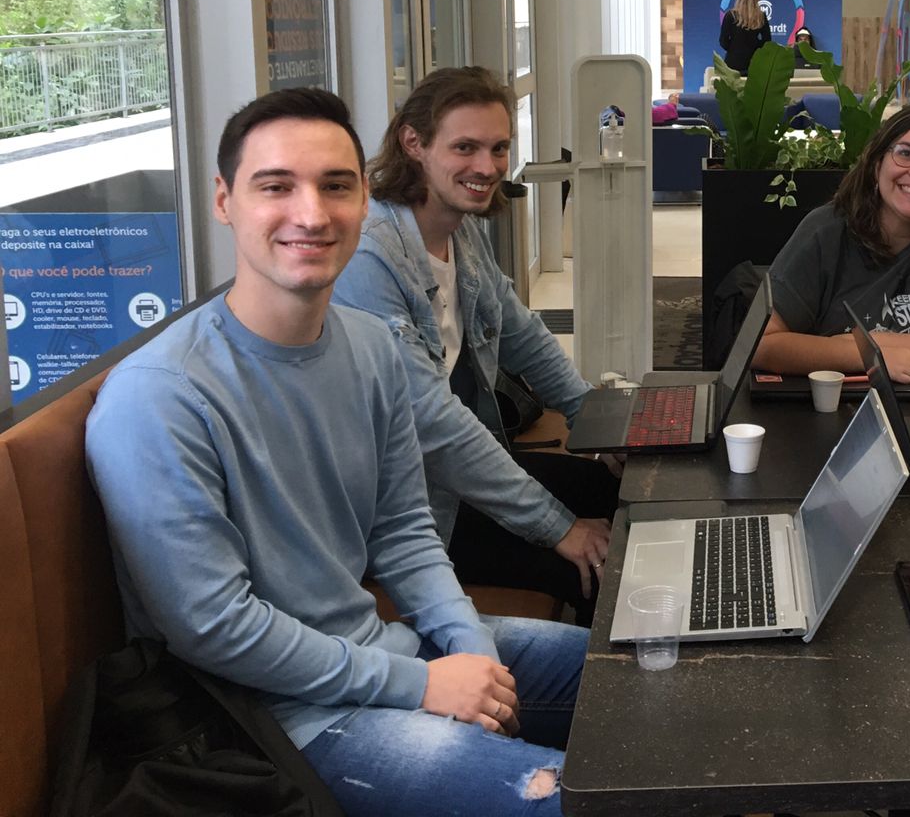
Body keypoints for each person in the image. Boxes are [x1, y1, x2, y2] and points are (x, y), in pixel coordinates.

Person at [86, 88, 586, 816]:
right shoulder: (157, 397)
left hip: (381, 653)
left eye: (335, 186)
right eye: (275, 186)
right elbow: (214, 629)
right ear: (224, 201)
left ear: (364, 199)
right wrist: (422, 684)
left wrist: (469, 648)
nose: (312, 214)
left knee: (647, 680)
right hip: (273, 722)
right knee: (580, 801)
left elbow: (405, 533)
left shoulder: (372, 348)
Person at [333, 67, 616, 625]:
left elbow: (520, 334)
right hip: (410, 512)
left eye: (498, 148)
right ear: (413, 143)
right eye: (465, 147)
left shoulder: (460, 228)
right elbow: (433, 424)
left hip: (461, 479)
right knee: (597, 566)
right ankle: (595, 701)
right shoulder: (371, 257)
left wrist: (603, 425)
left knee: (616, 488)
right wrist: (558, 527)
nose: (486, 167)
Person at [754, 95, 910, 382]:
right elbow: (762, 344)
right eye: (906, 153)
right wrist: (867, 356)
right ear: (877, 164)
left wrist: (872, 341)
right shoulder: (826, 231)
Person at [718, 0, 771, 73]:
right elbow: (767, 41)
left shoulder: (730, 15)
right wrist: (755, 46)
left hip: (732, 62)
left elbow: (723, 41)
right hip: (753, 61)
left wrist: (734, 48)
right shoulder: (761, 16)